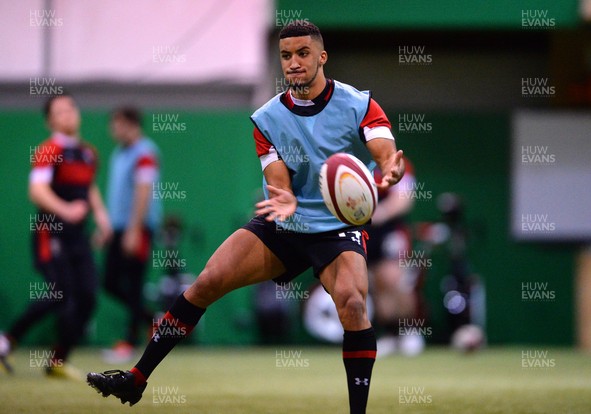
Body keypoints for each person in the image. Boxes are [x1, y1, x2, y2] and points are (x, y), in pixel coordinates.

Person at [87, 21, 404, 414]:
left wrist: (389, 171)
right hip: (286, 222)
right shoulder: (267, 117)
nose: (293, 63)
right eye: (286, 55)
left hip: (338, 227)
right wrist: (285, 200)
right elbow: (278, 183)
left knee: (353, 304)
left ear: (322, 57)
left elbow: (386, 155)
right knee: (207, 281)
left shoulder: (358, 103)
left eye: (303, 53)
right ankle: (136, 379)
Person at [0, 93, 112, 379]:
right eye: (59, 112)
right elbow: (36, 190)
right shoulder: (49, 150)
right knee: (58, 292)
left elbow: (88, 188)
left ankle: (57, 361)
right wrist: (65, 209)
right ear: (50, 120)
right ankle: (6, 341)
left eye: (71, 108)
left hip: (78, 238)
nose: (68, 114)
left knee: (87, 296)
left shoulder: (88, 153)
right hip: (50, 233)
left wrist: (101, 218)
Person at [101, 107, 161, 364]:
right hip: (118, 228)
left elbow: (143, 190)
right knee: (109, 282)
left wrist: (134, 230)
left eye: (116, 124)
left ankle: (129, 341)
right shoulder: (118, 153)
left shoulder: (145, 152)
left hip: (138, 229)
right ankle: (152, 320)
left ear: (130, 124)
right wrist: (107, 228)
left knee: (135, 283)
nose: (112, 130)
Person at [367, 161, 426, 357]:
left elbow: (404, 199)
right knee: (377, 284)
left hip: (390, 230)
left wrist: (377, 214)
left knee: (395, 280)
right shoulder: (352, 162)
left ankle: (409, 330)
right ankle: (391, 334)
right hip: (366, 231)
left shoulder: (399, 165)